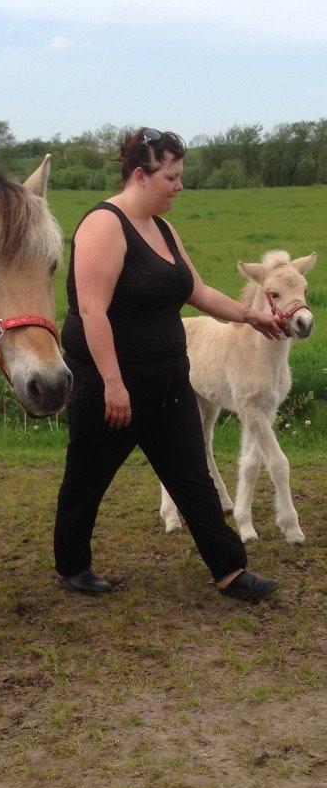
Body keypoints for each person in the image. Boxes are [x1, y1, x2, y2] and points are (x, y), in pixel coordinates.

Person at [54, 127, 281, 602]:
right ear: (141, 175)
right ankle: (72, 564)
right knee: (88, 475)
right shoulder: (103, 226)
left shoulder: (162, 228)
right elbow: (92, 311)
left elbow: (195, 290)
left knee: (192, 473)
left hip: (169, 375)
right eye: (172, 176)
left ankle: (230, 571)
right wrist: (113, 384)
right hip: (110, 380)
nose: (180, 185)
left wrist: (250, 316)